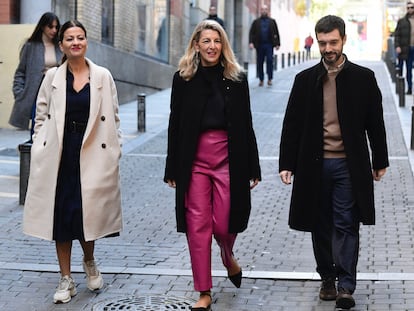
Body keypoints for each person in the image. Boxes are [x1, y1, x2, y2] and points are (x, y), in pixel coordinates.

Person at [279, 15, 389, 309]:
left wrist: (380, 159)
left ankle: (345, 285)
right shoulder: (305, 81)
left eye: (333, 42)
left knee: (346, 223)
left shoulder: (363, 78)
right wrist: (286, 163)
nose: (328, 48)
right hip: (313, 165)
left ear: (343, 40)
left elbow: (375, 123)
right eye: (323, 43)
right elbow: (292, 125)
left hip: (348, 166)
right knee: (320, 224)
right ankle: (326, 277)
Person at [23, 20, 123, 304]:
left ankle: (89, 260)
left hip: (92, 152)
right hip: (60, 153)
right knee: (61, 216)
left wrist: (115, 152)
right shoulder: (53, 77)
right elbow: (40, 115)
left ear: (86, 42)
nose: (75, 42)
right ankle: (65, 278)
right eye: (70, 38)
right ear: (62, 44)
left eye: (80, 37)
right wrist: (41, 144)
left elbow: (114, 118)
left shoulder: (103, 76)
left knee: (86, 213)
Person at [164, 20, 261, 311]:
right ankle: (203, 291)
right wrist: (171, 168)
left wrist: (253, 167)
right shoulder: (183, 79)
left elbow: (246, 124)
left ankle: (227, 255)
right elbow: (175, 125)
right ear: (196, 44)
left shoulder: (236, 78)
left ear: (223, 45)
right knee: (198, 226)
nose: (211, 46)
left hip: (228, 159)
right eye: (205, 41)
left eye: (216, 41)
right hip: (194, 161)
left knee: (223, 223)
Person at [9, 12, 62, 136]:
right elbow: (20, 71)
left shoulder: (59, 46)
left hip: (55, 90)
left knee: (54, 123)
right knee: (37, 123)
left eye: (56, 27)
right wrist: (19, 92)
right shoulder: (30, 46)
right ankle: (36, 150)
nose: (54, 30)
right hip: (35, 92)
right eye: (50, 27)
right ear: (43, 26)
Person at [248, 4, 280, 86]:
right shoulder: (256, 22)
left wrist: (277, 44)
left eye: (265, 9)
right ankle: (261, 79)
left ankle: (269, 79)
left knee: (269, 61)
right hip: (260, 45)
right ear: (260, 11)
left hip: (269, 45)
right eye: (262, 9)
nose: (264, 11)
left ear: (267, 11)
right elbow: (251, 33)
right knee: (260, 62)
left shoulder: (272, 21)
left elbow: (276, 32)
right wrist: (251, 42)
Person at [394, 1, 414, 94]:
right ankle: (400, 88)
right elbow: (397, 35)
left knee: (409, 70)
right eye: (408, 8)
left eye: (412, 7)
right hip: (403, 49)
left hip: (412, 49)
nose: (410, 9)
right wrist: (397, 46)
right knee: (401, 69)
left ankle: (410, 88)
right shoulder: (402, 21)